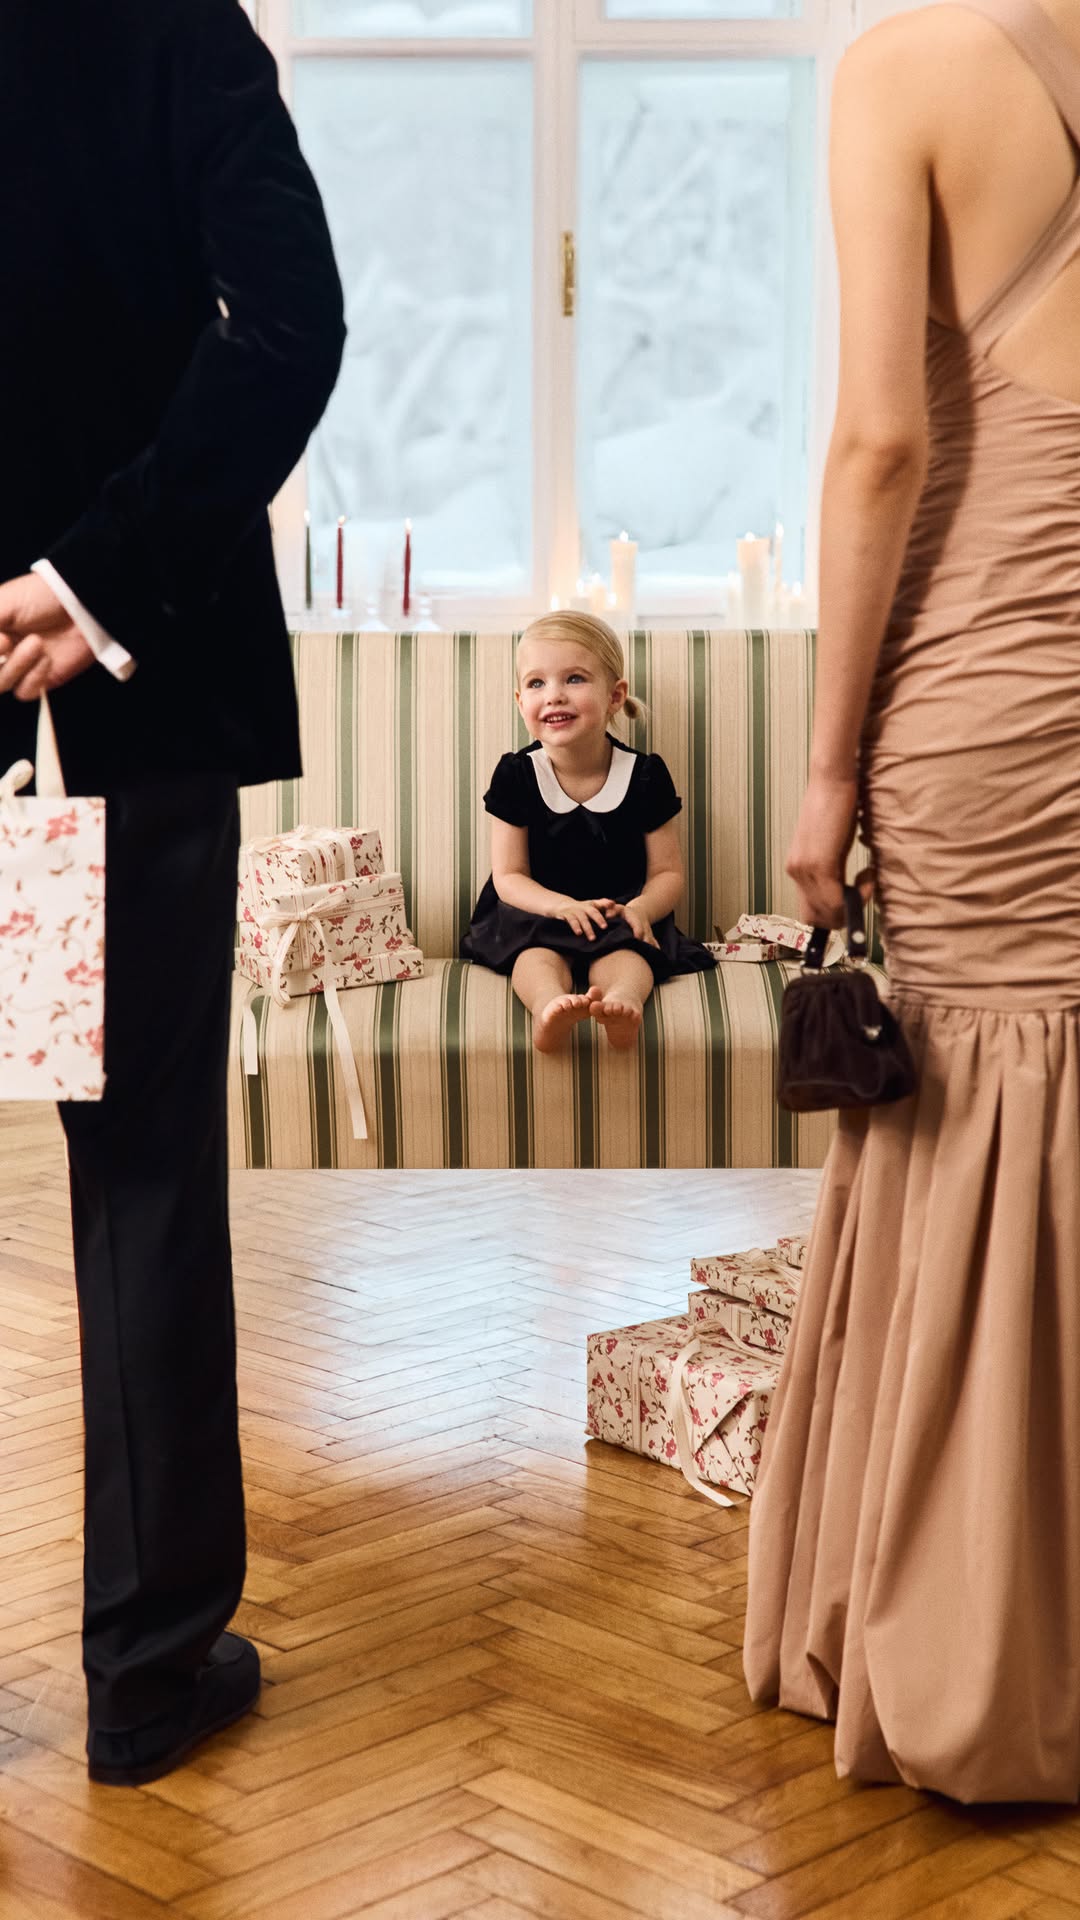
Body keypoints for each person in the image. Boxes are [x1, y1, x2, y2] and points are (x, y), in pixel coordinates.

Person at [0, 0, 345, 1784]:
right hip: (107, 703)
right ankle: (144, 1676)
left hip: (96, 725)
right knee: (140, 1178)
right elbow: (288, 324)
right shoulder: (163, 24)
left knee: (135, 1171)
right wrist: (93, 575)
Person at [743, 0, 1080, 1803]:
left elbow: (883, 443)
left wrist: (826, 765)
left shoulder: (911, 67)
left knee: (971, 1118)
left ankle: (978, 1646)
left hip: (994, 683)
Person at [461, 612, 716, 1052]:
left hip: (617, 911)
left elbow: (668, 873)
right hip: (539, 912)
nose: (554, 695)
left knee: (629, 956)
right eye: (537, 683)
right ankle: (549, 1006)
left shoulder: (645, 776)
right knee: (534, 958)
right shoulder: (517, 775)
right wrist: (560, 906)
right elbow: (509, 876)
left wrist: (640, 910)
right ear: (520, 702)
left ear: (615, 696)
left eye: (574, 679)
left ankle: (623, 1002)